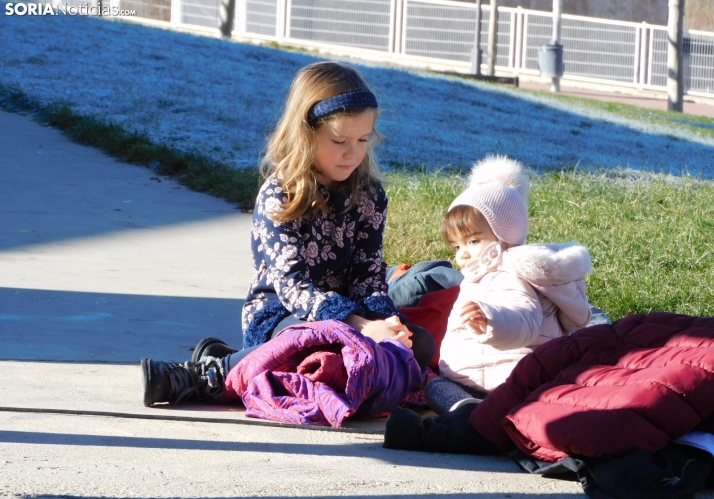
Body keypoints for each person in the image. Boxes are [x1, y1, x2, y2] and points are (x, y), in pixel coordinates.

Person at [142, 61, 433, 407]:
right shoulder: (280, 195)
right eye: (339, 140)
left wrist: (386, 323)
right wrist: (362, 328)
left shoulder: (370, 196)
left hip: (347, 317)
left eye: (362, 140)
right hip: (282, 315)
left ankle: (261, 362)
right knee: (316, 344)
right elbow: (293, 288)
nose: (353, 152)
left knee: (420, 343)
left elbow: (368, 277)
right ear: (306, 134)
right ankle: (207, 374)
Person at [422, 155, 593, 414]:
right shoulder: (481, 274)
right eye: (457, 245)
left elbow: (524, 318)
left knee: (437, 390)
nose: (463, 254)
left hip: (509, 376)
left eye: (474, 241)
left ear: (505, 237)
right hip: (478, 377)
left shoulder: (508, 274)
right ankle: (472, 410)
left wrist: (491, 320)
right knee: (435, 387)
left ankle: (478, 415)